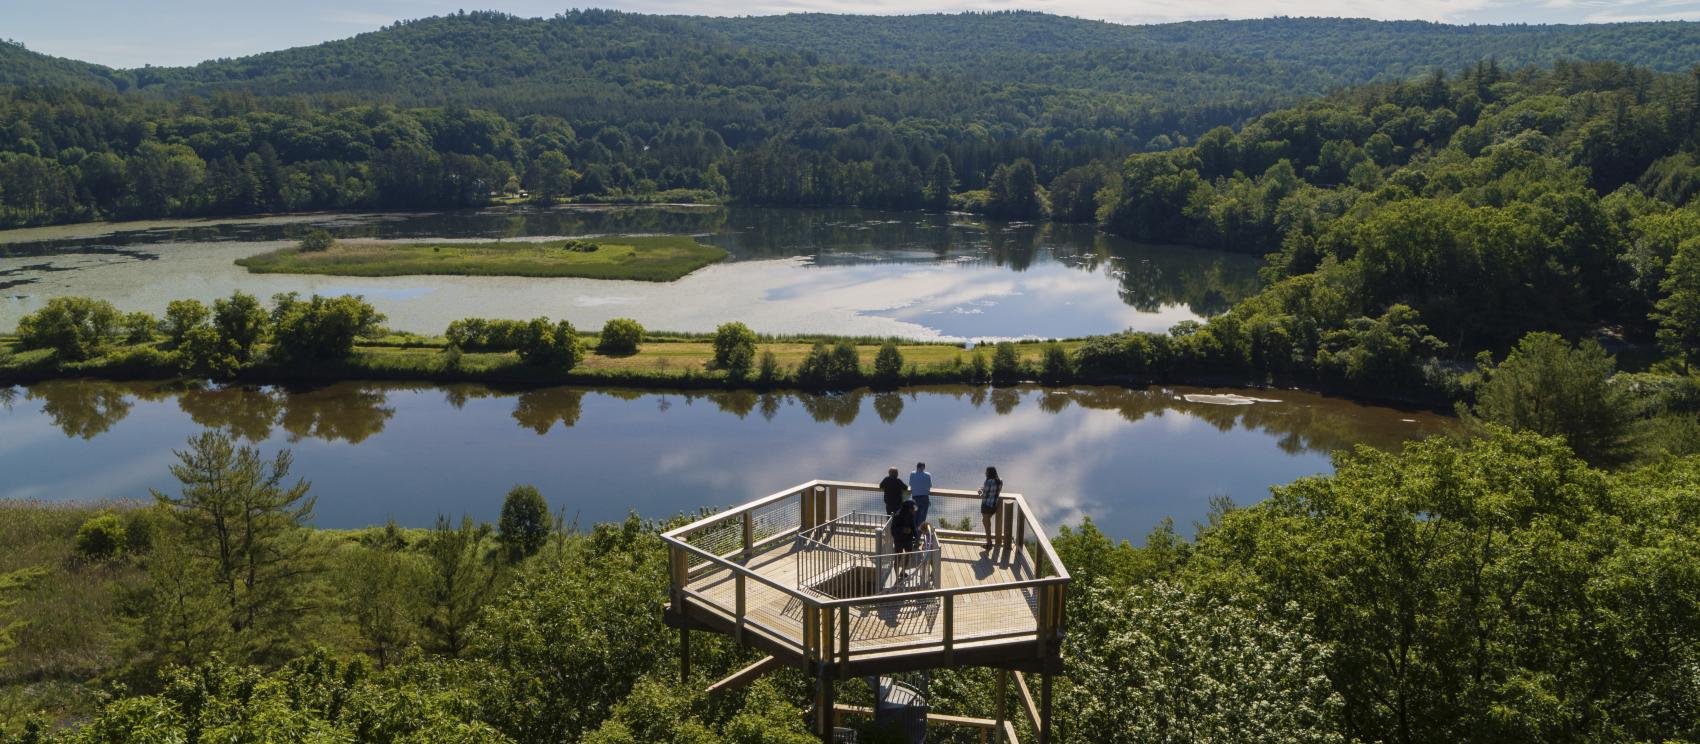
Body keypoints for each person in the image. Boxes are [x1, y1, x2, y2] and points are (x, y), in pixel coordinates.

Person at [978, 466, 1003, 549]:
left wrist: (980, 492)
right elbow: (993, 491)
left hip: (986, 506)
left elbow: (984, 495)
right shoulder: (999, 481)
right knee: (986, 522)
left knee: (986, 524)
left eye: (986, 472)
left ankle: (989, 544)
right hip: (994, 506)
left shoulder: (988, 482)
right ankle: (989, 543)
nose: (985, 473)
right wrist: (983, 489)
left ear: (989, 473)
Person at [909, 462, 933, 526]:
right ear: (923, 467)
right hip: (924, 499)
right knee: (922, 519)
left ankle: (913, 533)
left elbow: (911, 484)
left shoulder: (912, 474)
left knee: (914, 517)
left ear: (917, 467)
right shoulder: (928, 475)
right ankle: (919, 534)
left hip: (915, 499)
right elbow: (930, 486)